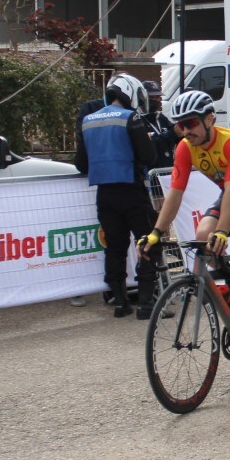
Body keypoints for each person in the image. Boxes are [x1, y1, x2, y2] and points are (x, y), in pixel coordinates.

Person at [144, 90, 230, 373]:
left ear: (209, 119)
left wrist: (223, 232)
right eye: (181, 124)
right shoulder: (185, 147)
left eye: (191, 122)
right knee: (202, 234)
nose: (186, 130)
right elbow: (175, 193)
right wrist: (157, 231)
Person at [75, 73, 158, 320]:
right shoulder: (130, 118)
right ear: (130, 93)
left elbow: (81, 163)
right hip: (132, 191)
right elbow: (149, 157)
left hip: (105, 195)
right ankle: (146, 305)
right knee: (147, 245)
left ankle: (120, 303)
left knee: (114, 248)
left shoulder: (88, 121)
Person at [141, 80, 177, 169]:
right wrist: (172, 134)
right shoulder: (136, 120)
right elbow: (148, 144)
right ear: (142, 98)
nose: (155, 100)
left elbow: (176, 132)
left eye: (157, 97)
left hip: (167, 170)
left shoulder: (160, 117)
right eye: (151, 97)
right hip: (150, 173)